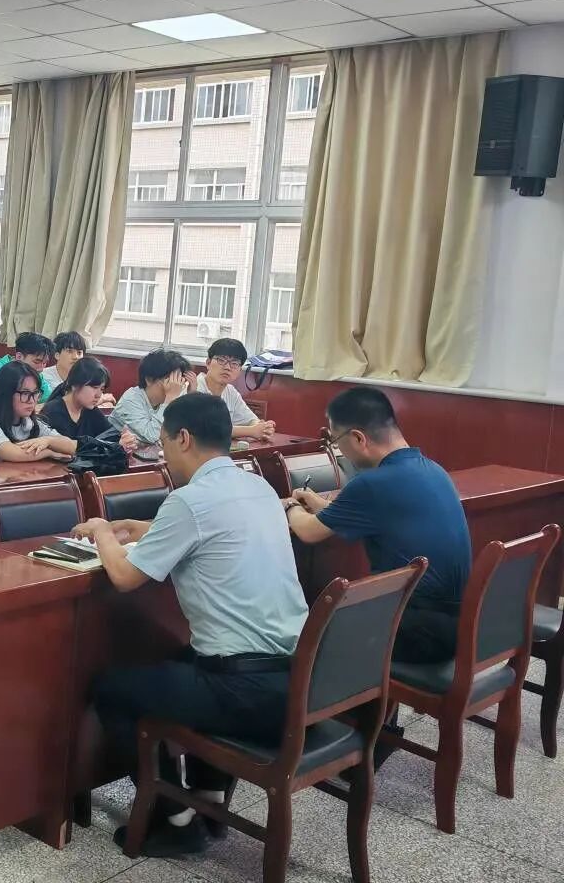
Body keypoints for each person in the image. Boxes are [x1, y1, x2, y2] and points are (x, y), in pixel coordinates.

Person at [72, 393, 308, 856]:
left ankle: (173, 817)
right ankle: (208, 798)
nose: (163, 454)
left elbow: (124, 577)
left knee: (113, 689)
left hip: (247, 693)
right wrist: (143, 528)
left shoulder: (190, 500)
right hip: (298, 680)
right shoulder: (258, 486)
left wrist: (102, 532)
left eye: (163, 443)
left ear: (183, 438)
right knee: (185, 656)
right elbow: (208, 531)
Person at [286, 387, 470, 666]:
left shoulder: (373, 483)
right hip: (457, 624)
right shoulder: (432, 469)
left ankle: (341, 695)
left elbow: (309, 531)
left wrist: (290, 505)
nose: (339, 450)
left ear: (358, 438)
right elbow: (370, 513)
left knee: (310, 635)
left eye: (336, 441)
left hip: (417, 631)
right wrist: (318, 503)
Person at [0, 361, 76, 468]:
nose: (32, 400)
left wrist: (48, 440)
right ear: (6, 393)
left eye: (35, 393)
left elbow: (71, 446)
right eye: (25, 393)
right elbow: (12, 453)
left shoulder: (29, 420)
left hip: (3, 480)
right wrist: (50, 452)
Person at [41, 358, 137, 452]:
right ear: (74, 385)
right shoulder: (53, 412)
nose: (98, 395)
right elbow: (73, 451)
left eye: (102, 389)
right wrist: (113, 446)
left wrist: (124, 440)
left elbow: (109, 434)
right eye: (94, 387)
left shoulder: (89, 409)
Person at [197, 338, 276, 440]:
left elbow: (250, 420)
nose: (227, 367)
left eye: (234, 363)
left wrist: (264, 428)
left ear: (239, 371)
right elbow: (207, 430)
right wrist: (252, 431)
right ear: (208, 363)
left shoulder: (231, 392)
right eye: (221, 360)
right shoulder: (194, 388)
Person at [109, 349, 193, 444]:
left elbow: (186, 430)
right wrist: (170, 400)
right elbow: (152, 437)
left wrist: (191, 395)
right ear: (149, 379)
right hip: (113, 449)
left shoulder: (171, 395)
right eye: (170, 380)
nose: (175, 386)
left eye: (179, 380)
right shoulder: (131, 400)